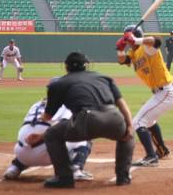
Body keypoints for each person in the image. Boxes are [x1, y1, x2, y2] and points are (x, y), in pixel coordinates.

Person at [26, 52, 134, 188]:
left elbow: (48, 117)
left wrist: (40, 126)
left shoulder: (59, 83)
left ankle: (64, 178)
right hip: (114, 118)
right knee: (127, 136)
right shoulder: (104, 77)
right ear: (86, 65)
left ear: (66, 67)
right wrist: (129, 126)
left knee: (52, 134)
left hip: (86, 121)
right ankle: (123, 177)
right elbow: (122, 104)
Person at [116, 25, 173, 167]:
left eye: (128, 40)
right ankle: (162, 150)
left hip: (166, 91)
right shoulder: (134, 54)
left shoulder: (147, 48)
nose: (127, 43)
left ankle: (151, 157)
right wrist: (120, 48)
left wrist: (135, 40)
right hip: (161, 93)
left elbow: (156, 40)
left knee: (138, 123)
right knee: (149, 121)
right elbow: (122, 60)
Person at [3, 82, 93, 181]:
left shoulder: (36, 104)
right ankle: (76, 170)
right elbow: (64, 125)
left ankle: (14, 168)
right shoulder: (66, 105)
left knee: (28, 143)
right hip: (45, 155)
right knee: (83, 133)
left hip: (20, 154)